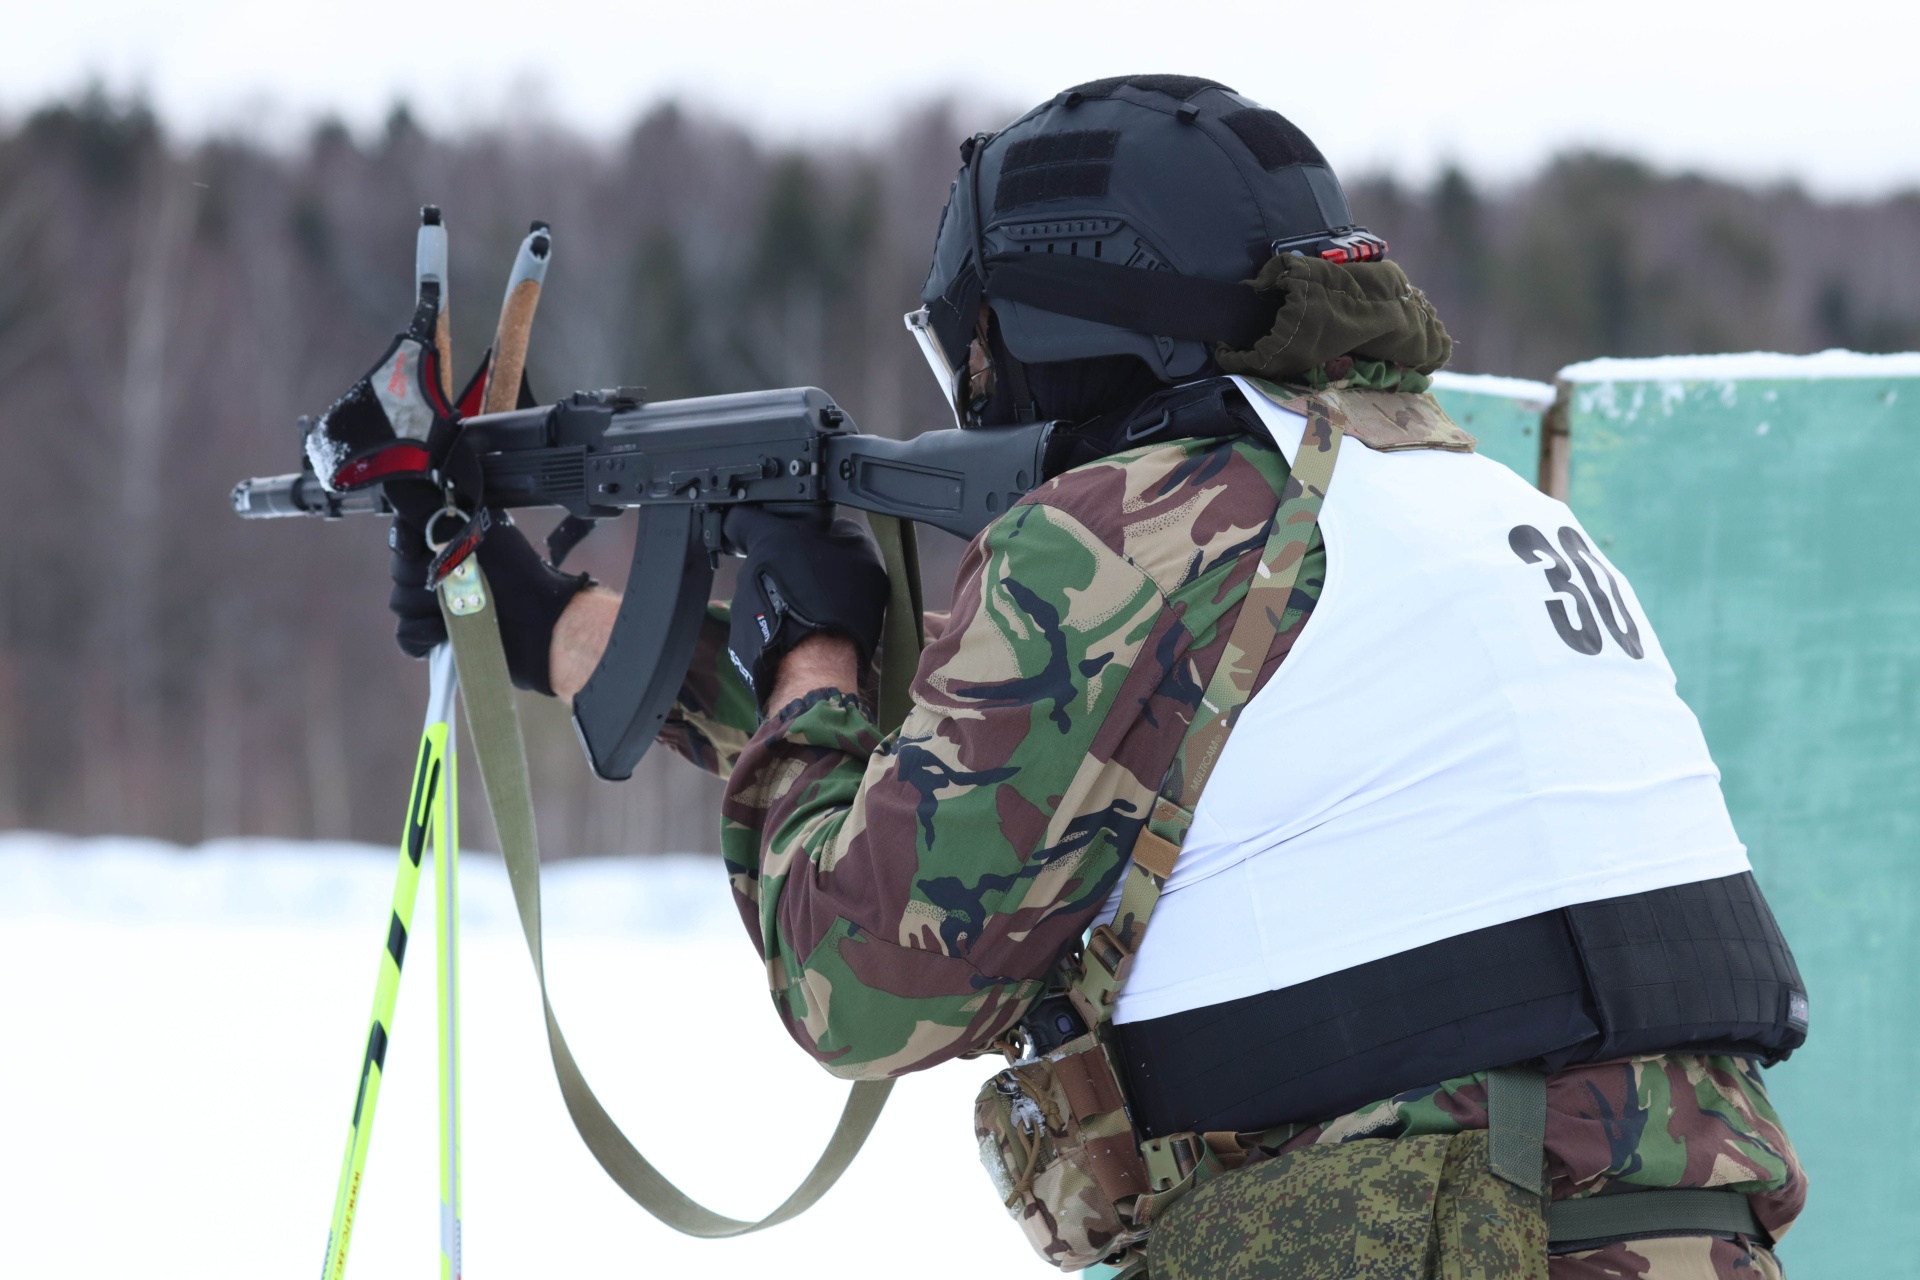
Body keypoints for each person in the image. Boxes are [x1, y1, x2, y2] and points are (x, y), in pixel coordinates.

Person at [367, 75, 1808, 1280]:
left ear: (1048, 327)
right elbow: (1019, 798)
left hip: (1428, 1232)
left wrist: (811, 651)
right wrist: (563, 629)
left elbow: (861, 979)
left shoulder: (1135, 525)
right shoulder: (1472, 505)